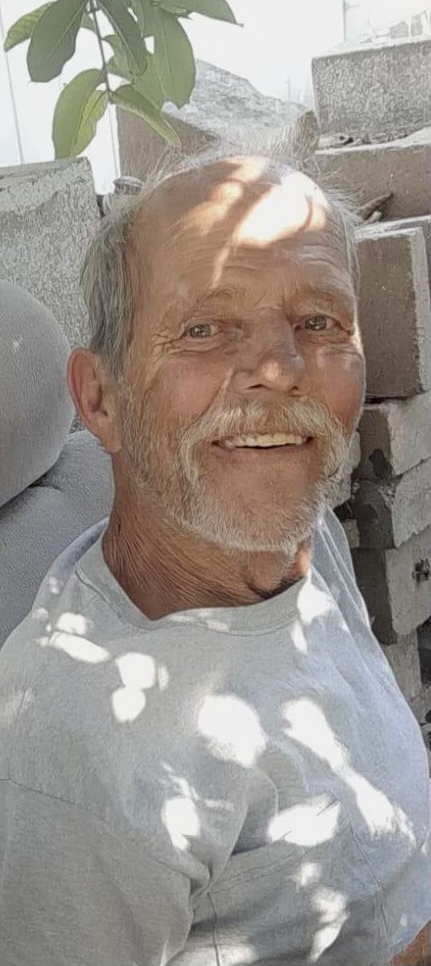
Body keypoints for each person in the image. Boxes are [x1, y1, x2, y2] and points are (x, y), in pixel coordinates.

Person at [0, 154, 429, 966]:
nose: (280, 368)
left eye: (319, 322)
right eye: (203, 328)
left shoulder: (297, 534)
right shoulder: (74, 754)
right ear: (101, 399)